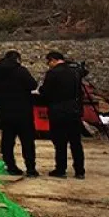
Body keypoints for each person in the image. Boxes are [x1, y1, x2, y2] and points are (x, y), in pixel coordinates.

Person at [0, 50, 38, 176]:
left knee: (7, 140)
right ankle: (31, 169)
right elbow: (33, 85)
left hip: (5, 109)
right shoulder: (21, 70)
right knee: (27, 140)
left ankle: (11, 166)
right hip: (23, 110)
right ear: (17, 59)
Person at [40, 51, 85, 179]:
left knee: (60, 142)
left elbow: (46, 92)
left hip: (58, 110)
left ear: (53, 60)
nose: (49, 65)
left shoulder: (52, 73)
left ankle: (61, 169)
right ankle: (80, 170)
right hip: (73, 110)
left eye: (49, 62)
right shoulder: (75, 72)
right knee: (76, 142)